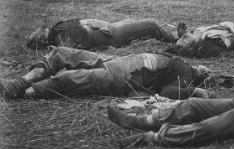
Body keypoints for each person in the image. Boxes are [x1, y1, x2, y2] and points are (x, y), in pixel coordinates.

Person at [0, 47, 211, 100]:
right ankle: (19, 82)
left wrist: (195, 91)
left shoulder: (185, 77)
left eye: (208, 74)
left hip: (123, 77)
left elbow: (168, 92)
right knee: (62, 53)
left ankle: (25, 92)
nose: (207, 70)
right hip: (118, 61)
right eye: (207, 69)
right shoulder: (180, 61)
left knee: (69, 79)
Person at [27, 18, 178, 50]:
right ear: (41, 37)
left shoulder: (57, 31)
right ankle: (176, 41)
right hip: (110, 34)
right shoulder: (61, 40)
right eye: (33, 33)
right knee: (150, 24)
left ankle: (157, 34)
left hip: (107, 27)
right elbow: (70, 50)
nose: (35, 29)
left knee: (132, 20)